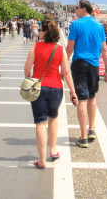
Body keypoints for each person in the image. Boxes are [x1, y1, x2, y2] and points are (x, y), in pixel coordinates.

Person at [24, 20, 77, 168]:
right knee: (53, 118)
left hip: (38, 87)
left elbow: (27, 68)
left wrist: (29, 79)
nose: (39, 32)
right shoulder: (60, 50)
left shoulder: (36, 46)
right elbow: (66, 72)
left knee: (40, 122)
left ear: (45, 32)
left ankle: (41, 160)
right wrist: (73, 92)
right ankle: (53, 150)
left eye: (41, 30)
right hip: (56, 88)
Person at [66, 0, 107, 148]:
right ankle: (91, 129)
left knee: (82, 99)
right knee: (92, 97)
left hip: (79, 64)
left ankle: (83, 137)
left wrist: (63, 65)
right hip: (94, 65)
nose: (75, 10)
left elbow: (70, 48)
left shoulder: (76, 25)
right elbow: (104, 50)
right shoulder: (99, 26)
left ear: (84, 9)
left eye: (76, 8)